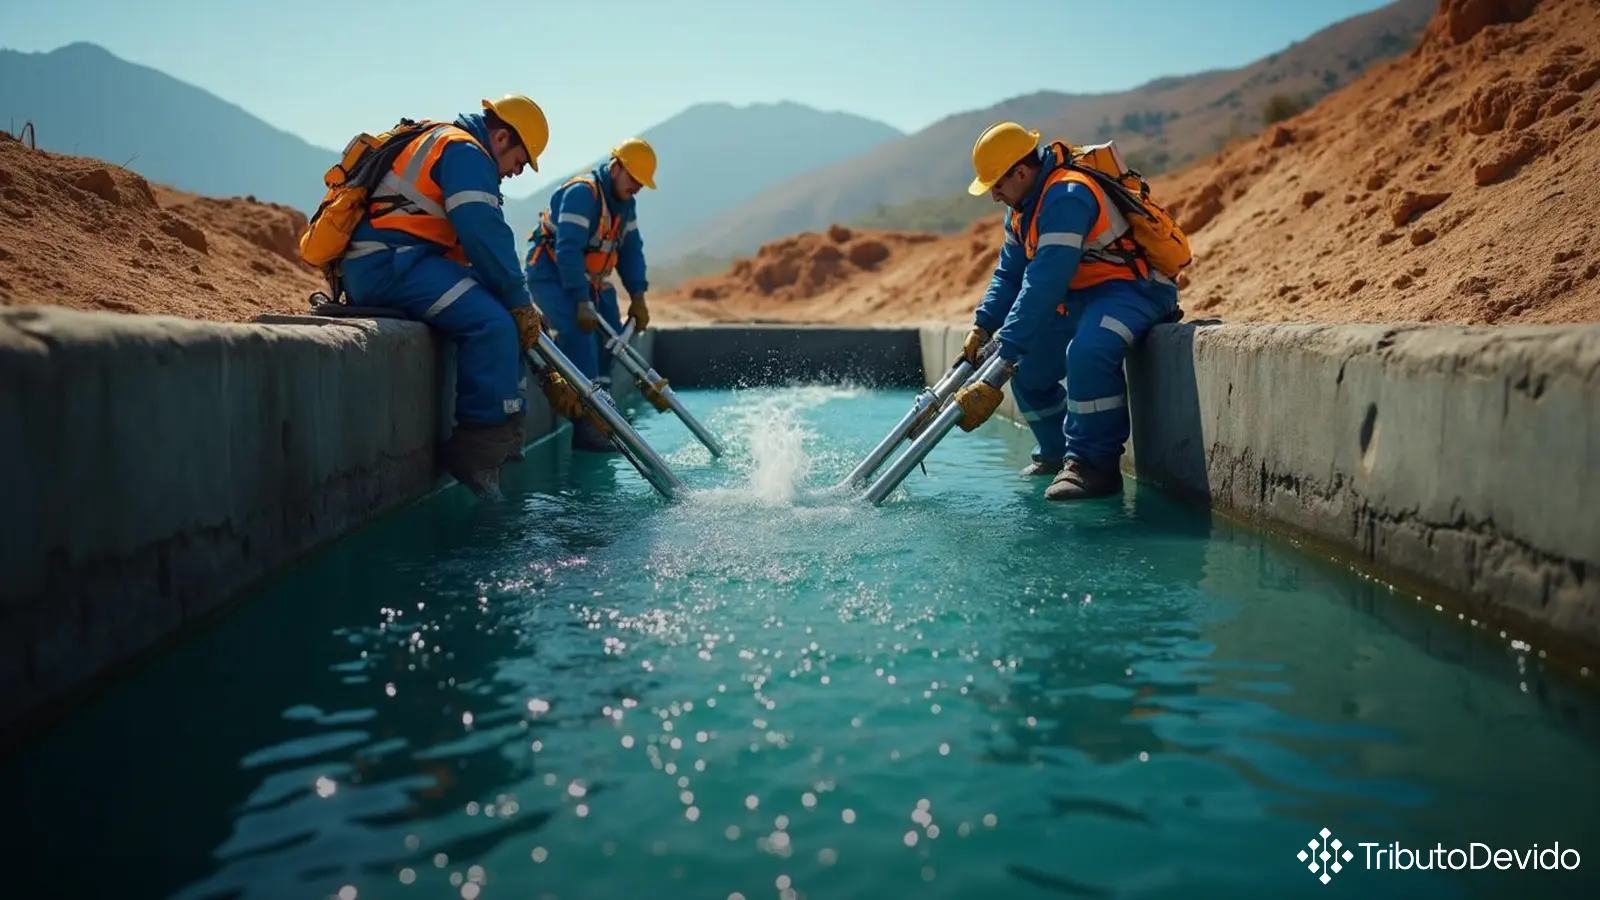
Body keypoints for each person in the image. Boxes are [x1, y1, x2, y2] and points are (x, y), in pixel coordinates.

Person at [335, 94, 586, 500]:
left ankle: (507, 435)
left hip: (405, 259)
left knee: (505, 312)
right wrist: (517, 301)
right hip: (388, 264)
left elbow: (480, 244)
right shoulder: (466, 152)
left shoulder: (454, 146)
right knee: (492, 324)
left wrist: (521, 304)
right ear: (502, 137)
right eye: (520, 161)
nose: (518, 173)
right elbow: (481, 231)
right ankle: (480, 454)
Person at [952, 121, 1181, 501]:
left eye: (997, 185)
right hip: (1087, 294)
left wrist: (1002, 359)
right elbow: (1010, 274)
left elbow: (1045, 282)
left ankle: (1094, 467)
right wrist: (983, 326)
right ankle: (1058, 455)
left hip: (1137, 288)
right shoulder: (1022, 207)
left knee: (1088, 351)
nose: (994, 196)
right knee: (1029, 370)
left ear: (1021, 172)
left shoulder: (1068, 195)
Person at [524, 137, 657, 452]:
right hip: (551, 275)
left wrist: (638, 296)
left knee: (610, 339)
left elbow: (631, 252)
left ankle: (603, 411)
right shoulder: (583, 194)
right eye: (633, 178)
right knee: (577, 331)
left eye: (641, 182)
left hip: (590, 282)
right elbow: (567, 251)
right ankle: (587, 425)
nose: (637, 187)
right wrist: (581, 302)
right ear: (616, 167)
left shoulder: (626, 205)